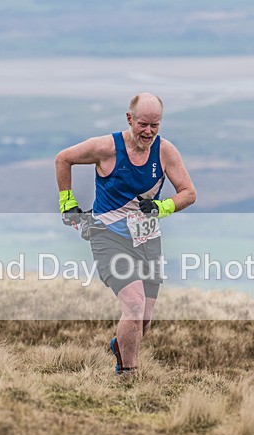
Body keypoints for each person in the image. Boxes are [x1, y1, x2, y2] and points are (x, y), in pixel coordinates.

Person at [55, 92, 196, 375]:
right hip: (108, 235)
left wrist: (161, 207)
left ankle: (121, 346)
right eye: (143, 124)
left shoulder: (165, 151)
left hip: (147, 239)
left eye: (155, 125)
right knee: (133, 305)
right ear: (129, 119)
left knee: (143, 320)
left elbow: (189, 193)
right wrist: (67, 203)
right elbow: (63, 159)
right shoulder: (107, 147)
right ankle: (128, 375)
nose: (149, 131)